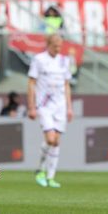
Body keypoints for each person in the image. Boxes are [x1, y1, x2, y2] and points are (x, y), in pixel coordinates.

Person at [27, 34, 73, 188]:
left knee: (57, 141)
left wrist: (69, 107)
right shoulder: (39, 59)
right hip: (44, 105)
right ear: (48, 44)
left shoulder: (64, 61)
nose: (58, 49)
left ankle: (50, 177)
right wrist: (31, 106)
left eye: (60, 46)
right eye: (55, 46)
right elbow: (31, 83)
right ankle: (40, 170)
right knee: (50, 139)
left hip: (60, 106)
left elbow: (66, 85)